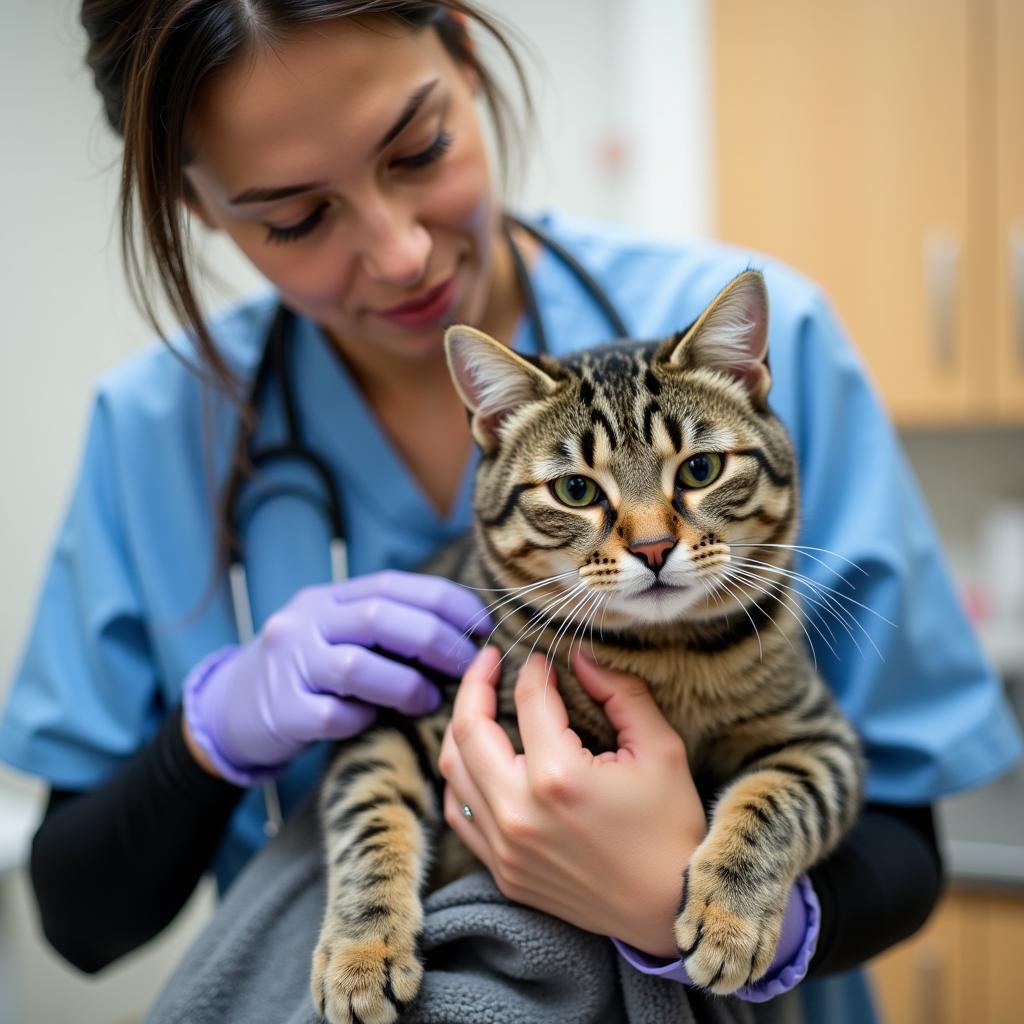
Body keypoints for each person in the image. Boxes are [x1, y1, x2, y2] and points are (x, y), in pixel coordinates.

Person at [0, 2, 1018, 1021]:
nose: (398, 253)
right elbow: (79, 921)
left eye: (418, 148)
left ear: (467, 55)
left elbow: (903, 842)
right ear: (198, 204)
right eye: (295, 216)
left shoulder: (764, 333)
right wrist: (212, 737)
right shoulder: (152, 432)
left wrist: (702, 910)